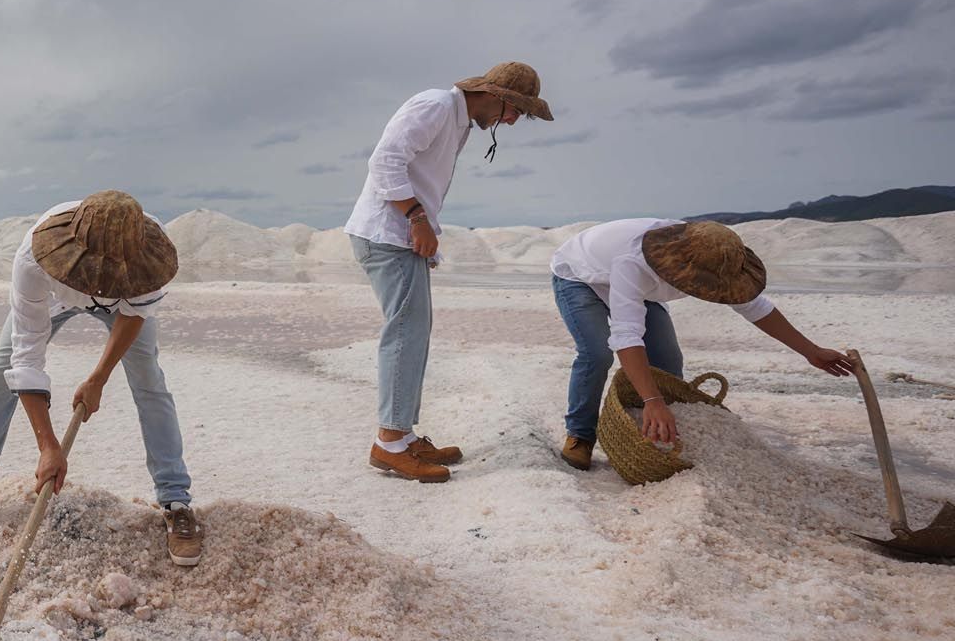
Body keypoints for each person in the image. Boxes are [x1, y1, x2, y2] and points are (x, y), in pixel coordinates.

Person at [0, 191, 204, 567]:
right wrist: (48, 446)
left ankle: (175, 500)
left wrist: (99, 378)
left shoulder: (147, 258)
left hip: (121, 306)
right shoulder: (35, 258)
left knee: (150, 382)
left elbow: (133, 316)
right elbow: (27, 356)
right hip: (55, 295)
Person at [345, 62, 554, 483]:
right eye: (515, 111)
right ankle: (389, 444)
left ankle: (401, 438)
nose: (511, 122)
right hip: (387, 235)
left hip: (398, 236)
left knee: (413, 333)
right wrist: (417, 217)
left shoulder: (456, 120)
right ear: (496, 96)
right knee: (404, 334)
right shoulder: (437, 105)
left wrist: (422, 226)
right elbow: (384, 162)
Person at [550, 218, 853, 469]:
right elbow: (626, 335)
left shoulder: (717, 254)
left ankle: (656, 436)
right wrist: (652, 401)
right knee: (596, 353)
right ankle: (581, 435)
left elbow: (756, 308)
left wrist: (811, 351)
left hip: (641, 287)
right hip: (580, 274)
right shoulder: (635, 263)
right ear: (680, 270)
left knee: (667, 362)